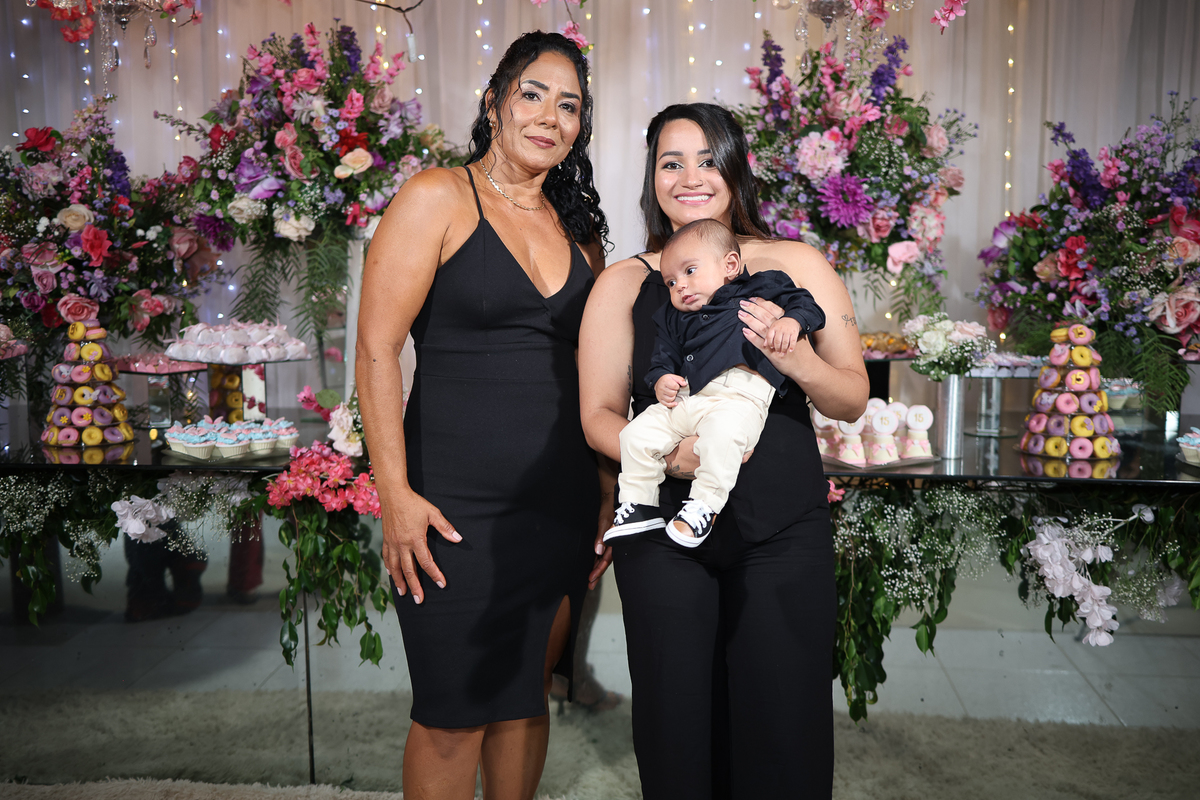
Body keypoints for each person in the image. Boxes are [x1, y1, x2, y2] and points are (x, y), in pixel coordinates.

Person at [578, 103, 869, 799]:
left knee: (784, 729)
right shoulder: (625, 281)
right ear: (651, 178)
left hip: (782, 531)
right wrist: (673, 459)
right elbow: (597, 414)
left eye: (708, 160)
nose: (690, 178)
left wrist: (797, 360)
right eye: (671, 163)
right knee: (677, 731)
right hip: (665, 536)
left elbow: (852, 397)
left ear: (736, 169)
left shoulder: (795, 263)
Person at [356, 32, 608, 800]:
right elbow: (375, 351)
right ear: (494, 102)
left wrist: (607, 496)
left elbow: (595, 377)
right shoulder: (436, 196)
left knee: (526, 696)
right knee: (451, 713)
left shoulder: (581, 233)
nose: (550, 117)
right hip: (451, 506)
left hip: (560, 505)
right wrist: (394, 495)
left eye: (569, 106)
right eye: (533, 94)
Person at [607, 218, 826, 547]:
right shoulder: (672, 316)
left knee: (722, 439)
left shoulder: (764, 286)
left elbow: (808, 305)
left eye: (690, 271)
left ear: (730, 265)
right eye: (670, 282)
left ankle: (703, 507)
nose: (680, 286)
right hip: (688, 396)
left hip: (740, 395)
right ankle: (639, 504)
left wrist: (792, 322)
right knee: (636, 433)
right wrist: (661, 378)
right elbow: (662, 356)